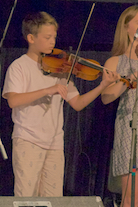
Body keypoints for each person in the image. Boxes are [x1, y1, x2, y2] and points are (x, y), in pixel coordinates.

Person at [2, 11, 118, 197]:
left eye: (54, 37)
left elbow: (78, 103)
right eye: (47, 37)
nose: (52, 42)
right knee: (26, 197)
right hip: (28, 140)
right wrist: (48, 90)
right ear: (31, 38)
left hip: (54, 142)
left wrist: (102, 85)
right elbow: (13, 100)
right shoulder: (19, 66)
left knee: (53, 198)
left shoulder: (59, 68)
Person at [101, 5, 138, 207]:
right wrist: (130, 78)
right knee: (132, 198)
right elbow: (106, 97)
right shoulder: (115, 61)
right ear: (126, 27)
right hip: (130, 129)